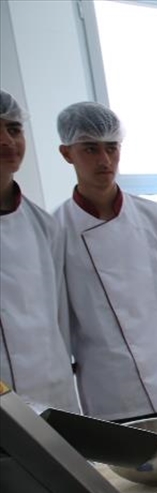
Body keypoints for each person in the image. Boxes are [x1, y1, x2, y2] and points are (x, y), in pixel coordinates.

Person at [54, 101, 157, 423]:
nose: (104, 160)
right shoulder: (55, 229)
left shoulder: (153, 216)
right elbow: (59, 319)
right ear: (67, 154)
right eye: (90, 149)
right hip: (110, 389)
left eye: (111, 148)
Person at [0, 90, 78, 412]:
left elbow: (58, 317)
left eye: (15, 130)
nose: (7, 141)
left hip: (53, 389)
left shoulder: (45, 225)